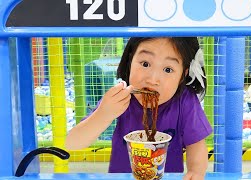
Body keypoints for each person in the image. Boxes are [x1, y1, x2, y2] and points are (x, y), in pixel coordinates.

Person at [66, 37, 213, 179]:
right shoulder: (122, 97)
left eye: (168, 69)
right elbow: (72, 143)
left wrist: (196, 172)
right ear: (130, 60)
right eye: (145, 64)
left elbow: (196, 146)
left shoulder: (185, 100)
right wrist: (104, 114)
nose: (152, 79)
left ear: (183, 75)